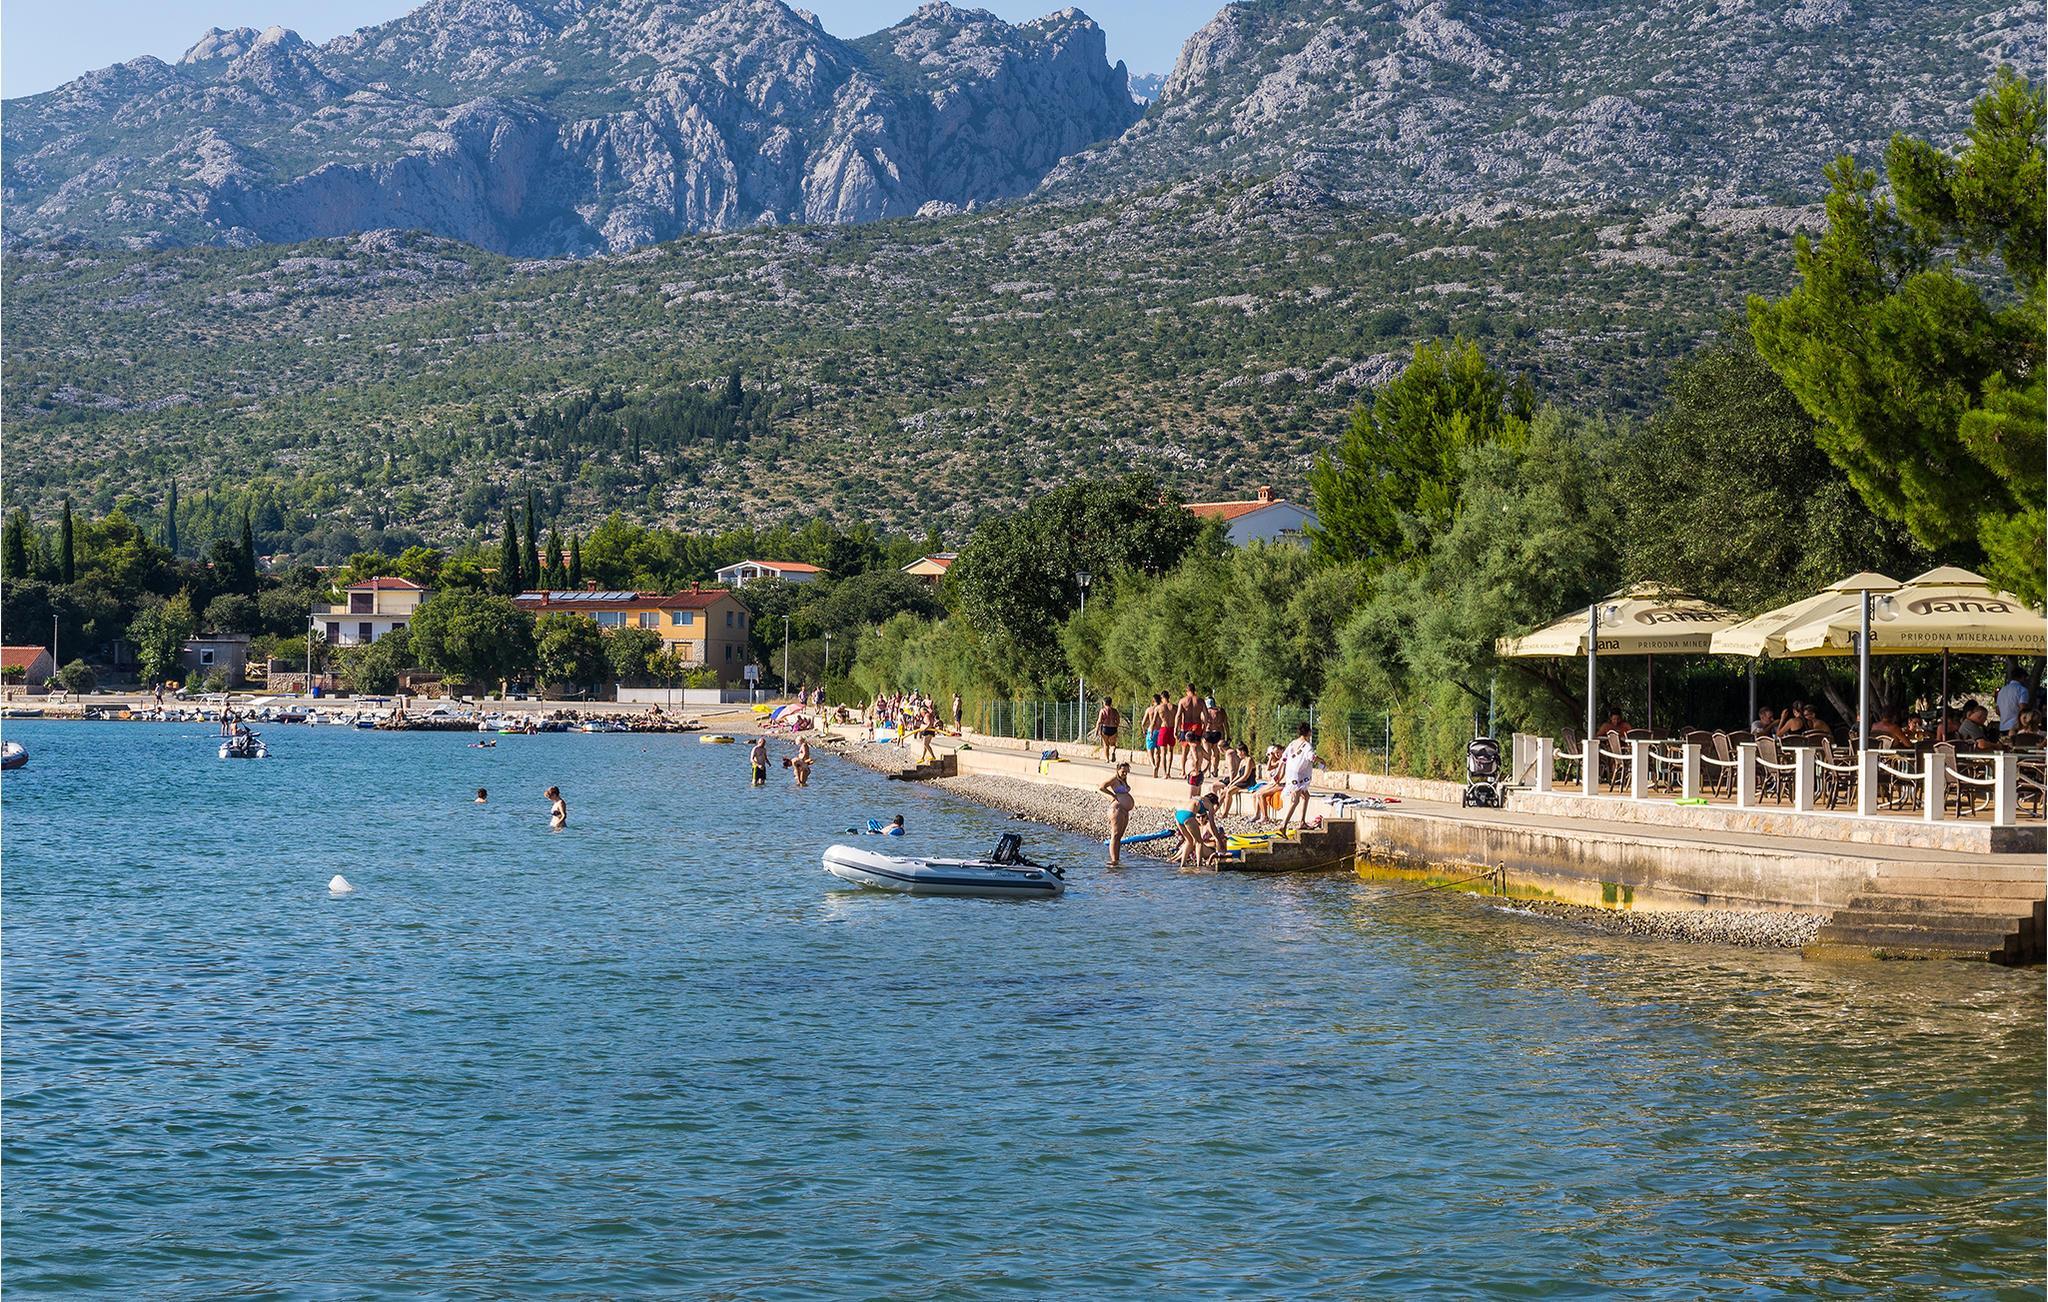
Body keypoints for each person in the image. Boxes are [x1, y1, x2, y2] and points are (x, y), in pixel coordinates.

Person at [1278, 722, 1318, 834]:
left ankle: (1302, 821)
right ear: (1309, 732)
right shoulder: (1307, 746)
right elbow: (1312, 757)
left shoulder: (1293, 743)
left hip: (1291, 773)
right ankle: (1284, 825)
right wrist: (1322, 761)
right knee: (1295, 801)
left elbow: (1284, 758)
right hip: (1299, 775)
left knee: (1306, 796)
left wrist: (1278, 772)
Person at [1099, 762, 1136, 867]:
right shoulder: (1114, 779)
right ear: (1117, 770)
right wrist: (1112, 795)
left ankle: (1117, 859)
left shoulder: (1123, 780)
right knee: (1115, 835)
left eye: (1126, 772)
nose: (1125, 773)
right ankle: (1113, 861)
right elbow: (1102, 787)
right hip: (1117, 809)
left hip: (1124, 810)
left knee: (1119, 836)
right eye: (1123, 771)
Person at [1996, 665, 2031, 736]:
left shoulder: (2002, 691)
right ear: (2022, 677)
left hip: (2003, 726)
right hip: (2017, 726)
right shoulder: (2022, 690)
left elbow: (1998, 711)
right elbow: (2023, 709)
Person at [1201, 698, 1228, 770]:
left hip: (1207, 733)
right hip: (1217, 733)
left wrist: (1200, 735)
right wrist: (1228, 735)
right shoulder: (1221, 711)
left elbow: (1202, 725)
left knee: (1207, 754)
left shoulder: (1204, 712)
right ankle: (1215, 770)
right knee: (1216, 754)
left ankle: (1208, 771)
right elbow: (1226, 724)